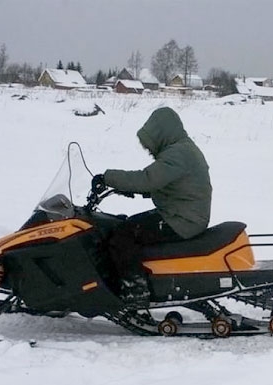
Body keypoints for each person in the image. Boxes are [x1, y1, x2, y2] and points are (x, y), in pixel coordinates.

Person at [91, 107, 212, 304]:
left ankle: (136, 290)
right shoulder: (183, 149)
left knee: (123, 235)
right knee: (128, 225)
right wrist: (132, 190)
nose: (149, 150)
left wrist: (108, 178)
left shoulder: (178, 153)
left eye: (150, 143)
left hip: (182, 220)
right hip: (183, 213)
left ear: (161, 133)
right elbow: (175, 185)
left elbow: (147, 179)